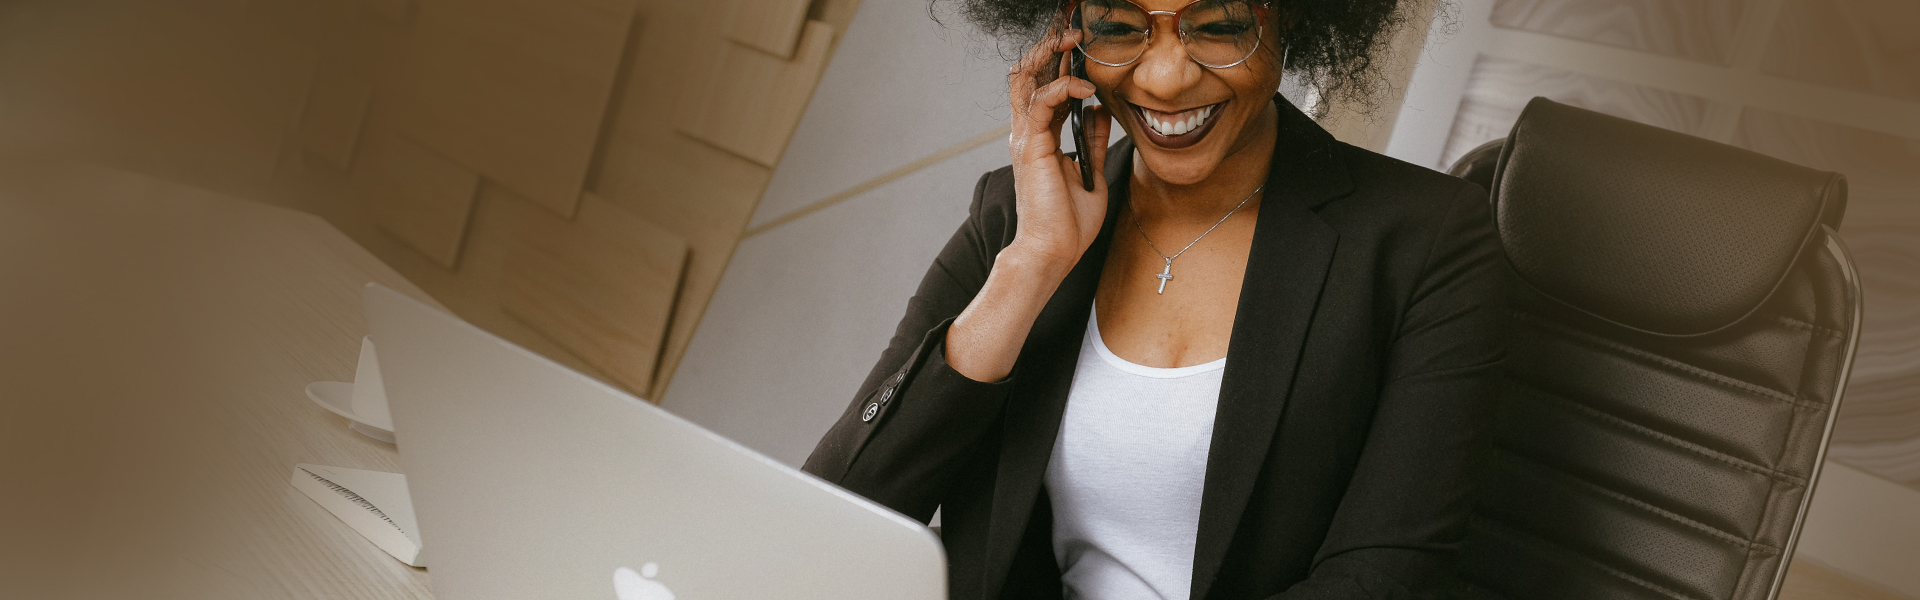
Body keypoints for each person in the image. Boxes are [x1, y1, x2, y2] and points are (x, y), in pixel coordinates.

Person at [803, 0, 1506, 598]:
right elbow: (827, 520)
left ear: (1290, 16)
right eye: (1118, 26)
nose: (1166, 79)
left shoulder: (1426, 240)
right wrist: (1031, 266)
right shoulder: (1017, 217)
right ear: (1070, 38)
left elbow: (1382, 578)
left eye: (1221, 24)